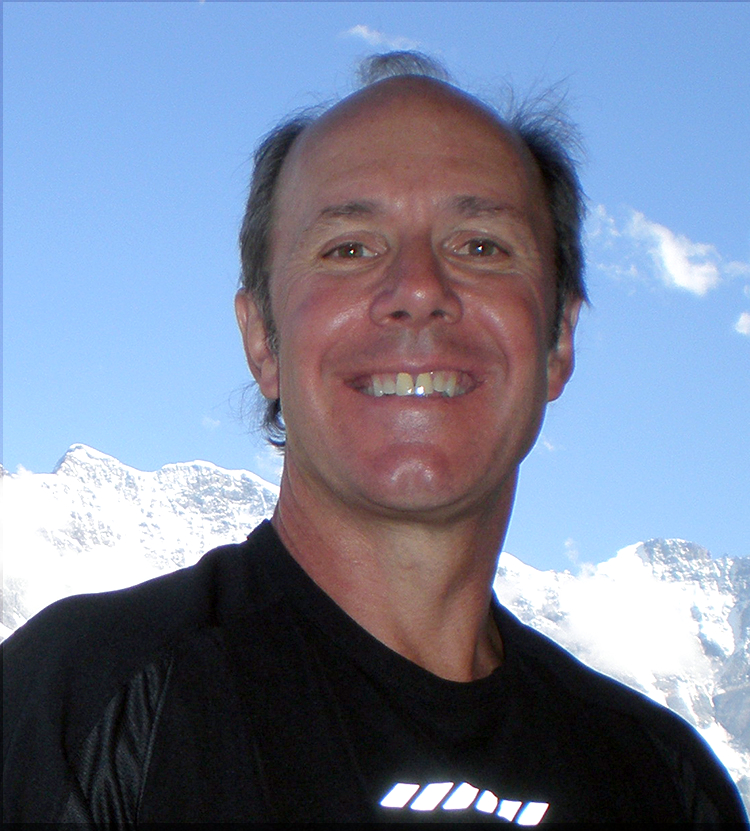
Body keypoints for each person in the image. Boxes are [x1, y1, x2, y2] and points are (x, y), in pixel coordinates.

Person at [3, 52, 747, 825]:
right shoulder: (84, 708)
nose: (419, 289)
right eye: (349, 248)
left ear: (558, 339)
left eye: (480, 245)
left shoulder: (666, 785)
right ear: (262, 340)